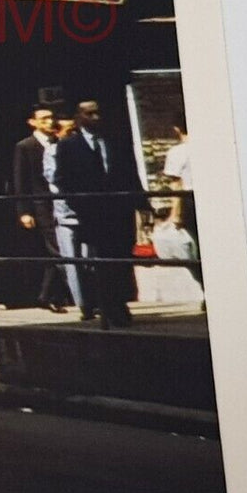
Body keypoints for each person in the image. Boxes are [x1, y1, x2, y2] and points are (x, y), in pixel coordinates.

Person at [50, 100, 150, 329]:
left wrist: (141, 202)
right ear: (80, 117)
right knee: (103, 260)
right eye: (90, 114)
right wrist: (79, 205)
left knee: (122, 257)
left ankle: (119, 301)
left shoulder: (115, 141)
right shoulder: (68, 146)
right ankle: (109, 305)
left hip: (120, 210)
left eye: (98, 113)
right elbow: (62, 179)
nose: (96, 118)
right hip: (93, 212)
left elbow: (130, 172)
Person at [12, 104, 70, 312]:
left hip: (62, 203)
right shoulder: (25, 147)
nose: (49, 122)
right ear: (33, 122)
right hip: (41, 205)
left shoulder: (60, 142)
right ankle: (55, 295)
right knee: (56, 248)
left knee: (59, 249)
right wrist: (24, 211)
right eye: (43, 118)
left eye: (51, 118)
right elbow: (21, 180)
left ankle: (46, 294)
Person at [161, 112, 202, 292]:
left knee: (195, 248)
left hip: (189, 200)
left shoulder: (177, 152)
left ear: (177, 129)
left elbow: (176, 184)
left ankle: (207, 288)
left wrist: (175, 213)